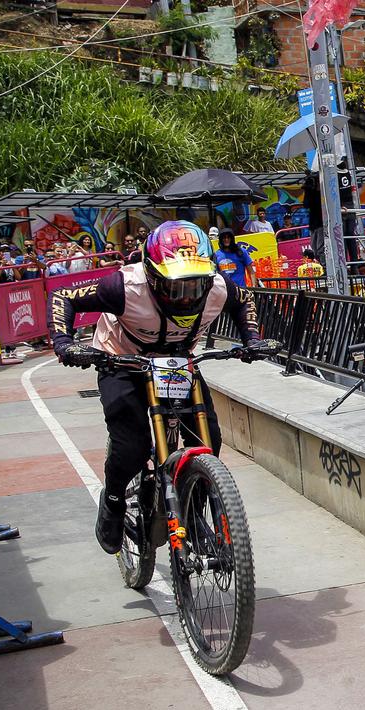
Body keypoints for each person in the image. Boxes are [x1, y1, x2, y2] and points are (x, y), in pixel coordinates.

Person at [49, 221, 267, 553]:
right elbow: (64, 297)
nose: (187, 297)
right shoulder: (124, 286)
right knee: (131, 445)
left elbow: (244, 301)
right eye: (177, 287)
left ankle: (194, 517)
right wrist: (65, 344)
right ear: (152, 276)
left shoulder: (220, 288)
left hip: (177, 361)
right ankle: (113, 502)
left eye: (196, 286)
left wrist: (252, 340)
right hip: (121, 360)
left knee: (210, 436)